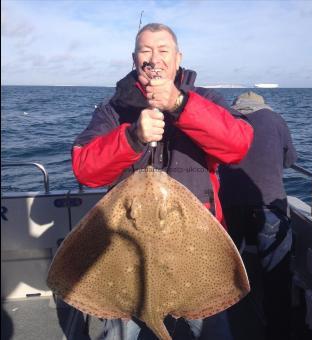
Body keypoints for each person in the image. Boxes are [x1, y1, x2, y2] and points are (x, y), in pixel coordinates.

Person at [72, 23, 254, 339]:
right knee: (120, 330)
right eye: (145, 50)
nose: (154, 58)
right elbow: (85, 170)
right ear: (133, 58)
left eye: (163, 50)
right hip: (125, 247)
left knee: (209, 330)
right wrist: (132, 137)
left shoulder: (205, 99)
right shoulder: (113, 109)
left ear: (178, 57)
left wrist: (180, 105)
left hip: (197, 245)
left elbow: (239, 145)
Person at [219, 91, 298, 340]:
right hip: (269, 206)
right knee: (276, 276)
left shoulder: (225, 119)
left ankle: (227, 324)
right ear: (262, 106)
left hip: (230, 205)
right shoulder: (276, 120)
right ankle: (278, 332)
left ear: (237, 106)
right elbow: (290, 160)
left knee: (229, 269)